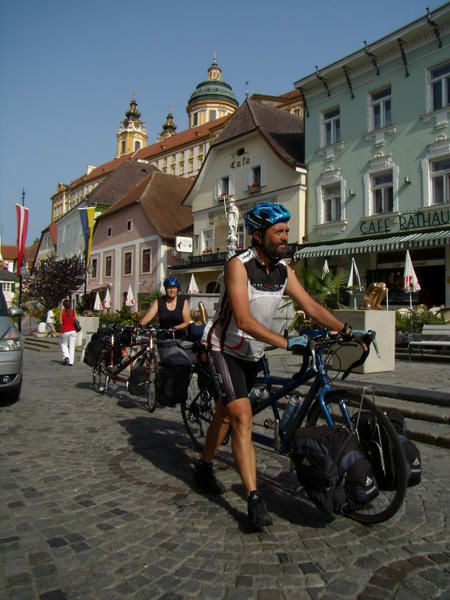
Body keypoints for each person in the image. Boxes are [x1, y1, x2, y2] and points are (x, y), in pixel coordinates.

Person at [193, 201, 352, 530]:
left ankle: (204, 465)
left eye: (286, 231)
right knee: (242, 416)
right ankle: (254, 498)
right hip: (225, 347)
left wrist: (345, 329)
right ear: (257, 235)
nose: (284, 237)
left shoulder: (283, 270)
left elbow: (309, 304)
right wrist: (287, 342)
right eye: (278, 232)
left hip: (252, 353)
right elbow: (244, 320)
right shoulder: (239, 265)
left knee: (226, 413)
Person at [60, 299, 78, 366]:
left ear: (63, 305)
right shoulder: (73, 311)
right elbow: (76, 319)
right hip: (73, 330)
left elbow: (60, 322)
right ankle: (71, 362)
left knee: (64, 344)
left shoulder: (62, 312)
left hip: (65, 330)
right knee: (72, 346)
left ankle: (66, 356)